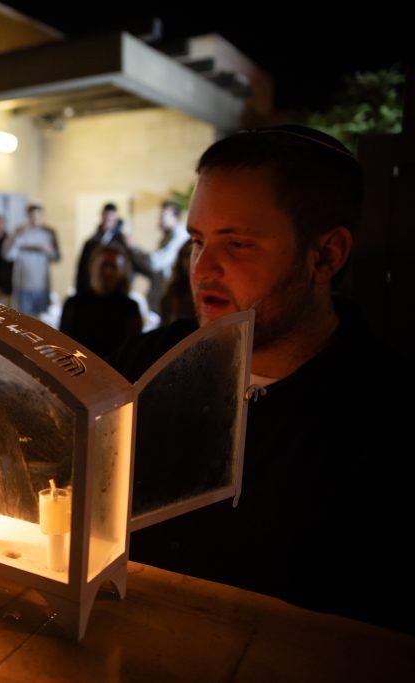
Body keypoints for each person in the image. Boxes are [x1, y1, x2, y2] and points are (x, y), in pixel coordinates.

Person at [111, 125, 413, 632]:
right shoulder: (144, 363)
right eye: (197, 241)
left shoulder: (385, 419)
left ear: (327, 256)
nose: (203, 268)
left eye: (239, 244)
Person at [58, 244, 142, 361]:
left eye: (113, 267)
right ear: (92, 267)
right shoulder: (74, 304)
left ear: (121, 272)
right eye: (104, 265)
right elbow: (63, 345)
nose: (108, 272)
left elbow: (132, 351)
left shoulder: (130, 308)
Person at [6, 204, 60, 316]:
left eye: (38, 216)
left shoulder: (48, 234)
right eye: (32, 216)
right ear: (28, 216)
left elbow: (56, 257)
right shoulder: (20, 233)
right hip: (23, 286)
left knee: (41, 323)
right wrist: (16, 236)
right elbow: (8, 255)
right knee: (24, 323)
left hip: (42, 286)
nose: (35, 219)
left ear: (42, 216)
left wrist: (48, 250)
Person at [137, 200, 190, 314]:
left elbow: (156, 263)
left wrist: (134, 249)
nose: (160, 220)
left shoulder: (180, 236)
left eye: (164, 216)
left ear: (176, 218)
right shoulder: (165, 238)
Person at [75, 202, 131, 294]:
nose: (107, 221)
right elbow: (82, 270)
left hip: (116, 293)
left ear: (116, 218)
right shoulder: (90, 243)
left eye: (110, 218)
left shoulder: (123, 242)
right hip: (91, 293)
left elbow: (128, 268)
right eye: (105, 218)